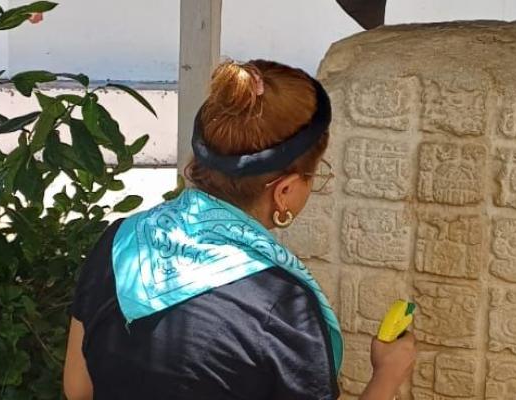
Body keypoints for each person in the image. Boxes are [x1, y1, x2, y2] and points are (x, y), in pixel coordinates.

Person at [62, 59, 416, 400]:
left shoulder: (121, 242)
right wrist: (387, 375)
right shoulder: (283, 308)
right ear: (285, 191)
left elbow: (79, 388)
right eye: (315, 177)